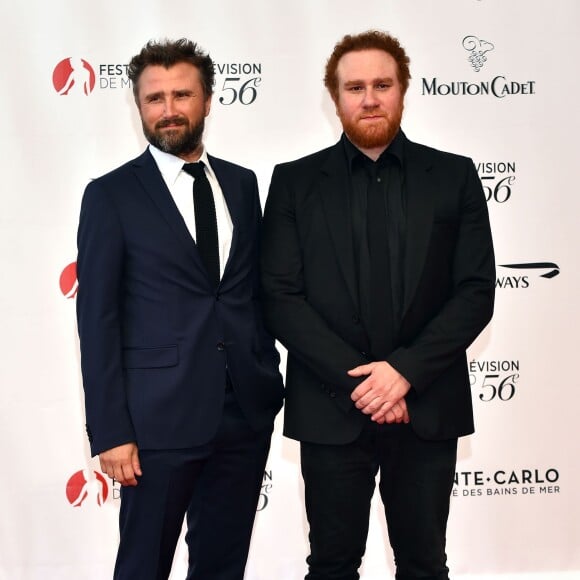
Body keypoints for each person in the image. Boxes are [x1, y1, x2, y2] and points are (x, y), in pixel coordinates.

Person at [261, 30, 495, 580]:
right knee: (332, 565)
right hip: (331, 409)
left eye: (382, 85)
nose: (370, 98)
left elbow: (475, 291)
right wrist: (366, 385)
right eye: (356, 87)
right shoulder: (294, 183)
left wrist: (405, 374)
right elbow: (281, 297)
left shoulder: (454, 175)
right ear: (335, 97)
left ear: (403, 90)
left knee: (423, 564)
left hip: (426, 406)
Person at [76, 38, 283, 580]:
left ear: (209, 100)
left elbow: (249, 294)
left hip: (242, 413)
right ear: (139, 107)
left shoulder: (241, 184)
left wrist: (265, 370)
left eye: (182, 95)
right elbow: (96, 322)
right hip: (154, 425)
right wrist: (110, 430)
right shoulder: (111, 196)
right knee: (143, 566)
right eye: (154, 98)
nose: (168, 110)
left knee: (222, 565)